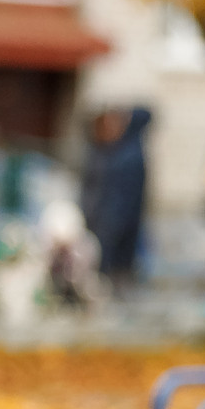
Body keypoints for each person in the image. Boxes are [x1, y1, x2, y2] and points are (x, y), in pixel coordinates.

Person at [78, 105, 152, 286]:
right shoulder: (104, 150)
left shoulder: (128, 154)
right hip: (102, 215)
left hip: (114, 217)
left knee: (113, 262)